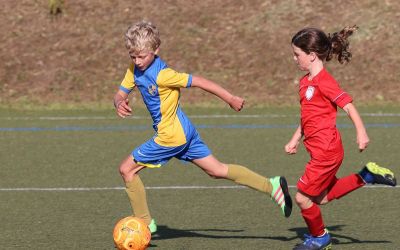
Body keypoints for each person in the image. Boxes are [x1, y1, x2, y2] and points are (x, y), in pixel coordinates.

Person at [113, 20, 293, 234]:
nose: (138, 61)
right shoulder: (134, 69)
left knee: (127, 170)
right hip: (184, 130)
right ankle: (271, 186)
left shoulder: (163, 75)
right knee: (217, 170)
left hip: (171, 136)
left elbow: (199, 81)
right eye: (133, 56)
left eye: (142, 56)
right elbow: (121, 92)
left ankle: (145, 223)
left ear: (156, 50)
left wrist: (230, 98)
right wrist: (119, 102)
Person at [285, 25, 397, 250]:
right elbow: (307, 116)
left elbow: (348, 106)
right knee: (320, 198)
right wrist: (296, 138)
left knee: (302, 199)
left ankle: (320, 237)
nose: (294, 58)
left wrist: (361, 131)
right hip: (320, 150)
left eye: (297, 54)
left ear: (312, 55)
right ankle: (366, 176)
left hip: (326, 151)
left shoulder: (325, 81)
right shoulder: (306, 82)